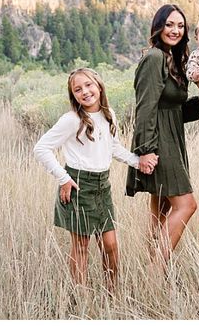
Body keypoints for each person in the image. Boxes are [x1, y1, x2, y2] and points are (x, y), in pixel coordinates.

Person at [33, 67, 159, 294]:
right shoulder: (71, 120)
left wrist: (137, 161)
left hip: (103, 186)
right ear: (74, 96)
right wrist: (63, 178)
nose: (85, 92)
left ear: (99, 85)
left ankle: (112, 294)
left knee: (110, 245)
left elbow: (113, 147)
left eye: (88, 85)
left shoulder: (108, 113)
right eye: (77, 89)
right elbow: (41, 148)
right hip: (79, 185)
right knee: (81, 247)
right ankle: (82, 298)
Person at [125, 3, 199, 267]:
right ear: (158, 26)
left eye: (180, 26)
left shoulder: (174, 59)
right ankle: (155, 271)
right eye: (169, 24)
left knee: (160, 212)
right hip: (158, 142)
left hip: (172, 138)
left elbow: (173, 110)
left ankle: (153, 282)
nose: (175, 30)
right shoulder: (154, 58)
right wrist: (146, 150)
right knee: (187, 205)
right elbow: (146, 107)